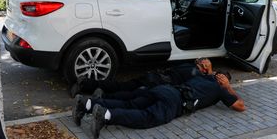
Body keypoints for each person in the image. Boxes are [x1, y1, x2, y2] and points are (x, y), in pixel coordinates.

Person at [73, 71, 245, 138]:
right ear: (223, 81)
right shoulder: (219, 89)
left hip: (165, 89)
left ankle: (87, 103)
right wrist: (228, 88)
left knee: (131, 103)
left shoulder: (200, 77)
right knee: (148, 117)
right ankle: (106, 115)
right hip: (175, 101)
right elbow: (240, 106)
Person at [69, 58, 214, 97]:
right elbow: (207, 80)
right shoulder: (195, 74)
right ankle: (97, 92)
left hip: (153, 76)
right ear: (204, 68)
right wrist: (210, 71)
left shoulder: (187, 65)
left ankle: (87, 84)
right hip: (156, 82)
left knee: (123, 86)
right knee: (129, 93)